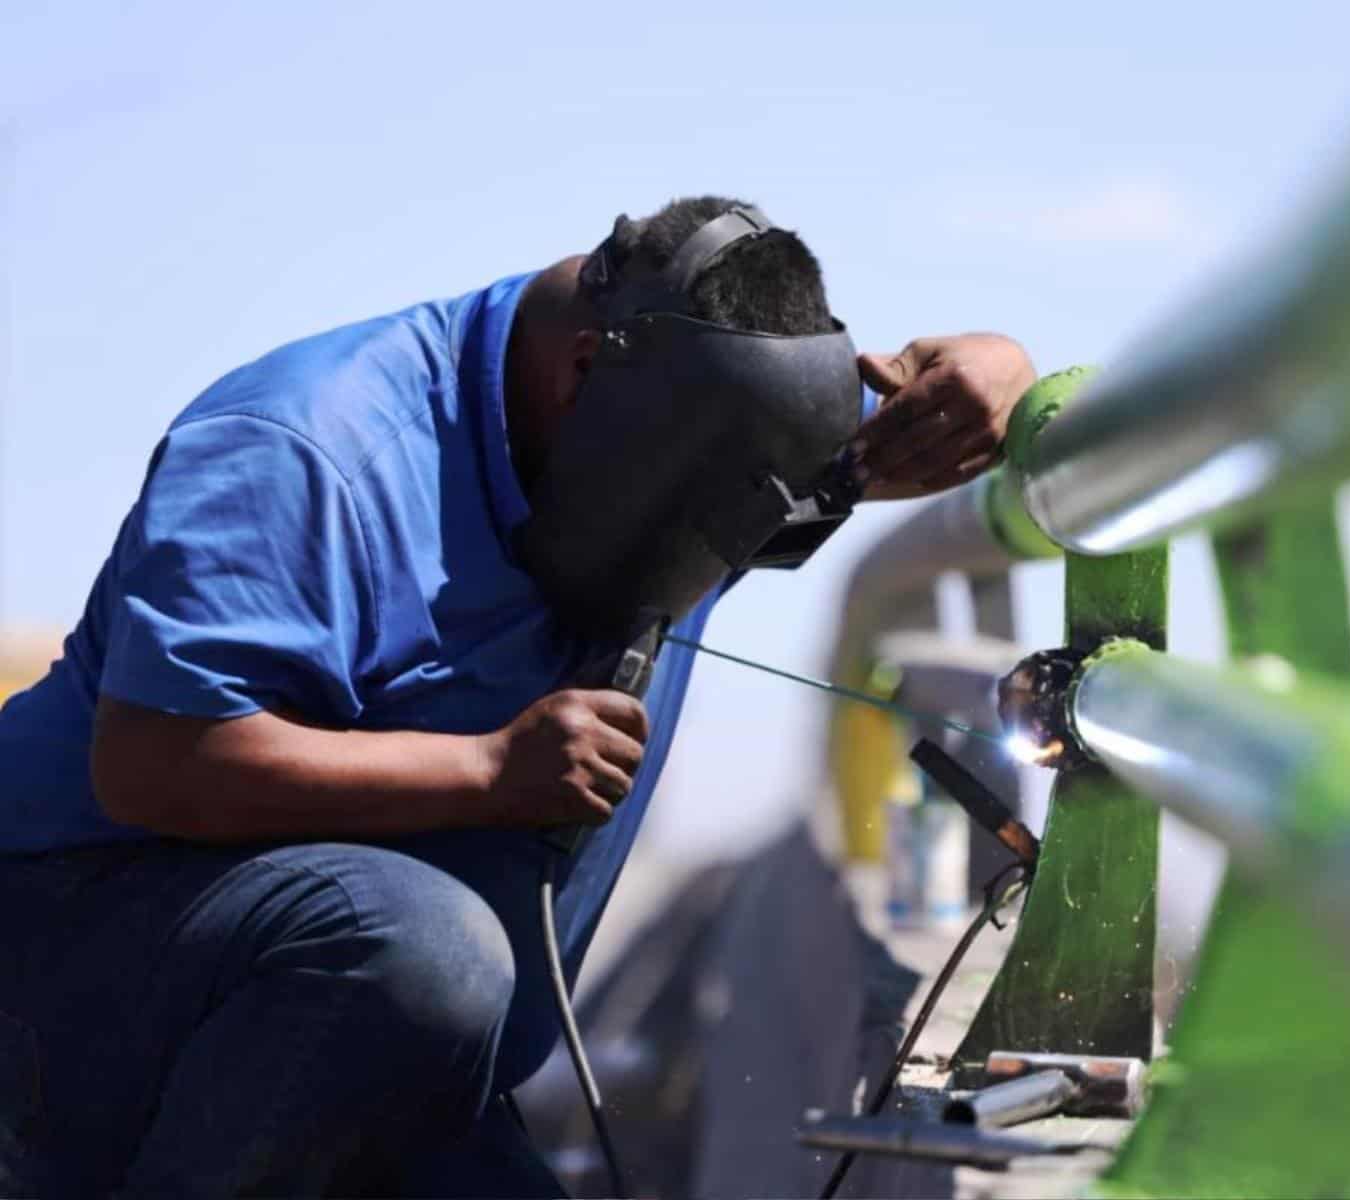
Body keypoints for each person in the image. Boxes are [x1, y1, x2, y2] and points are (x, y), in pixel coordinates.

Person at [0, 195, 1036, 1198]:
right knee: (422, 946)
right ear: (588, 371)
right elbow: (154, 761)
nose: (725, 533)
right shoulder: (304, 448)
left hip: (386, 1060)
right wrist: (488, 770)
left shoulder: (701, 428)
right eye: (697, 499)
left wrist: (1003, 371)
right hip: (72, 996)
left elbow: (916, 430)